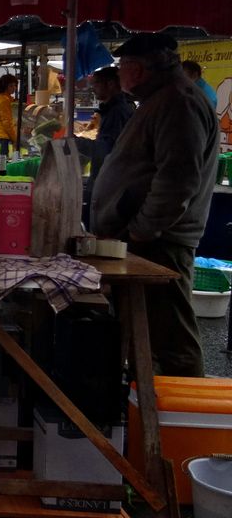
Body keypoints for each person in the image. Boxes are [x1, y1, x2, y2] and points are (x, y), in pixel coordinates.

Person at [92, 33, 220, 376]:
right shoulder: (160, 99)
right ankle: (144, 408)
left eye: (122, 67)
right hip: (147, 239)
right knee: (145, 331)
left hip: (162, 243)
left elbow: (177, 180)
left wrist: (144, 229)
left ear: (140, 68)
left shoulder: (179, 102)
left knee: (171, 337)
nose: (118, 74)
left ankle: (184, 419)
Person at [78, 66, 135, 179]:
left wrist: (75, 142)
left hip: (111, 177)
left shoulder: (117, 112)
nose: (93, 89)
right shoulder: (114, 109)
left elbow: (105, 149)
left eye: (96, 84)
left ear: (111, 84)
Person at [0, 74, 21, 152]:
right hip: (2, 138)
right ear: (5, 86)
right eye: (11, 86)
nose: (14, 88)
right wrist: (14, 138)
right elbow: (7, 122)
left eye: (15, 85)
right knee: (2, 162)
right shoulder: (4, 100)